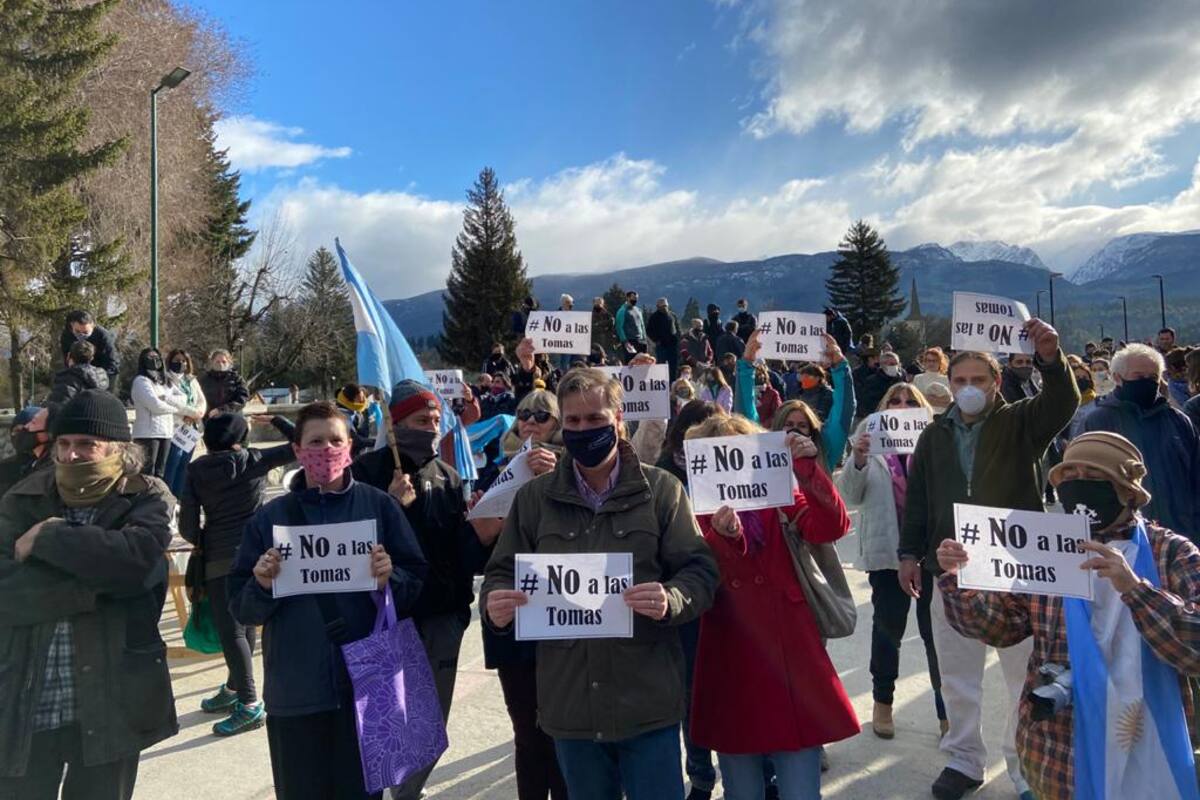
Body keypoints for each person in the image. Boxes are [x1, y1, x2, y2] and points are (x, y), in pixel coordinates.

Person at [480, 367, 719, 800]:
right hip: (570, 707)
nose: (583, 429)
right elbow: (499, 572)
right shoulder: (535, 499)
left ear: (618, 418)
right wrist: (495, 605)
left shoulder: (662, 490)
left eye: (595, 419)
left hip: (646, 703)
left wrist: (672, 597)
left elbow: (700, 571)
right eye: (572, 421)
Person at [936, 432, 1200, 800]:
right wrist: (960, 581)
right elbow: (1001, 627)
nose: (1079, 486)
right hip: (1060, 743)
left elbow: (1195, 647)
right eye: (1069, 476)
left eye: (1094, 478)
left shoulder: (1171, 553)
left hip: (1151, 737)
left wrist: (1135, 589)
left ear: (1127, 489)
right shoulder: (1046, 547)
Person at [898, 318, 1078, 800]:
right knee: (957, 675)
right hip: (951, 570)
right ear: (949, 385)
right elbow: (919, 500)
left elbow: (1064, 402)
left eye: (979, 380)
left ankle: (1023, 765)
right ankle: (964, 761)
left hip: (1016, 571)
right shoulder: (933, 435)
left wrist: (1049, 357)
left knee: (1023, 672)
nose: (969, 388)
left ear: (997, 383)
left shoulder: (1022, 421)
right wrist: (909, 554)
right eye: (960, 381)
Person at [229, 402, 427, 800]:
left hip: (367, 689)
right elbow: (242, 608)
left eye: (335, 441)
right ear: (298, 451)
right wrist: (263, 584)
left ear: (350, 447)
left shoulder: (379, 506)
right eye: (315, 442)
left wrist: (391, 579)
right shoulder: (269, 519)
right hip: (295, 694)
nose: (326, 450)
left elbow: (416, 582)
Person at [0, 389, 176, 799]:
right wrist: (94, 589)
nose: (71, 455)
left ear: (118, 448)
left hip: (114, 701)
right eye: (63, 443)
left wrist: (48, 536)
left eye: (86, 444)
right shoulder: (21, 497)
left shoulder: (147, 496)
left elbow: (136, 563)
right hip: (26, 696)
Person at [687, 413, 859, 799]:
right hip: (731, 652)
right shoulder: (695, 507)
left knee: (801, 787)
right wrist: (721, 537)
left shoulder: (781, 495)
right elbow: (692, 570)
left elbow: (830, 527)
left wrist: (808, 468)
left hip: (791, 649)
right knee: (742, 787)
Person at [351, 381, 497, 800]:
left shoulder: (450, 477)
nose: (431, 428)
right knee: (383, 726)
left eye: (436, 420)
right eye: (421, 420)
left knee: (428, 726)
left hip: (439, 619)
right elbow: (355, 546)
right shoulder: (366, 473)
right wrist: (389, 506)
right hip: (384, 617)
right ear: (395, 426)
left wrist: (484, 532)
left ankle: (407, 794)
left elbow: (459, 555)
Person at [472, 390, 568, 800]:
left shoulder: (578, 466)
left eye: (542, 415)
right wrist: (514, 485)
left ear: (559, 424)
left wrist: (558, 473)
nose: (530, 421)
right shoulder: (495, 469)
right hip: (512, 614)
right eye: (524, 414)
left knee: (565, 730)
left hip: (565, 611)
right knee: (527, 732)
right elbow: (483, 538)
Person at [836, 383, 946, 740]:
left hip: (932, 554)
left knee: (936, 635)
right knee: (888, 630)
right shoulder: (869, 438)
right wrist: (859, 459)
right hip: (887, 554)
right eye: (894, 401)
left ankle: (947, 712)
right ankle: (883, 703)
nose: (902, 406)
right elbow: (850, 496)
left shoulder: (935, 439)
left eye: (910, 401)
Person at [179, 412, 296, 736]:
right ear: (239, 438)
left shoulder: (196, 470)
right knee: (245, 622)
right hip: (258, 552)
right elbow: (300, 443)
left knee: (231, 630)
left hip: (219, 556)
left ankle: (248, 703)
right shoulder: (255, 459)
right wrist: (278, 421)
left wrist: (201, 540)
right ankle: (234, 686)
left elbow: (187, 524)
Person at [1083, 343, 1200, 541]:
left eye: (1153, 377)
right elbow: (1085, 483)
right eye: (1139, 376)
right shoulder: (1097, 422)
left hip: (1182, 536)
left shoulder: (1178, 421)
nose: (1147, 382)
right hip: (1125, 540)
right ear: (1118, 378)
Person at [768, 333, 856, 475]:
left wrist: (840, 366)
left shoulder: (824, 449)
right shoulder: (766, 457)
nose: (794, 431)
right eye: (789, 424)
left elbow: (844, 410)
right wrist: (746, 365)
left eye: (802, 426)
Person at [130, 347, 198, 479]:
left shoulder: (164, 381)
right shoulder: (141, 381)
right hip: (148, 434)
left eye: (157, 358)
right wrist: (175, 408)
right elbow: (155, 405)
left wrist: (166, 398)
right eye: (150, 358)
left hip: (166, 432)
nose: (154, 361)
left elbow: (182, 397)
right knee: (147, 472)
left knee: (160, 472)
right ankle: (145, 499)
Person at [162, 349, 207, 495]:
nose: (180, 363)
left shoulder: (191, 380)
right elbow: (170, 401)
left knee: (184, 464)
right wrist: (192, 413)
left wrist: (198, 413)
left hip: (192, 429)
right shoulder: (165, 379)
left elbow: (201, 400)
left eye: (183, 361)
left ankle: (180, 498)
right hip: (175, 427)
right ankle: (169, 498)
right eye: (177, 360)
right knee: (172, 464)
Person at [58, 309, 119, 386]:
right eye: (77, 331)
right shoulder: (67, 335)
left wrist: (99, 379)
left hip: (102, 374)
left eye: (85, 333)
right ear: (71, 325)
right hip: (78, 373)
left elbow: (113, 363)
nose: (81, 335)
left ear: (93, 326)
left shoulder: (103, 336)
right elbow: (67, 359)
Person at [0, 406, 50, 497]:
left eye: (23, 430)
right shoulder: (5, 467)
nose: (17, 436)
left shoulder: (47, 467)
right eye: (16, 431)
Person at [199, 349, 250, 417]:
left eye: (224, 362)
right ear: (212, 362)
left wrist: (222, 409)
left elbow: (242, 399)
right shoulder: (204, 380)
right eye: (217, 362)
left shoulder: (237, 379)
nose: (221, 364)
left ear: (229, 362)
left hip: (232, 419)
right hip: (210, 419)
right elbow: (198, 399)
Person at [647, 297, 681, 380]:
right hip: (661, 346)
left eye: (665, 306)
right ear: (658, 307)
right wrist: (656, 340)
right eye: (662, 306)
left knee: (674, 367)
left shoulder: (673, 315)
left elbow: (678, 328)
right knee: (661, 367)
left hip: (673, 346)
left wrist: (678, 338)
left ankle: (673, 384)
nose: (664, 308)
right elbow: (649, 331)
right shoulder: (654, 317)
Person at [614, 290, 648, 363]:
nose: (635, 300)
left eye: (636, 298)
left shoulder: (638, 310)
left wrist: (644, 338)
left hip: (641, 341)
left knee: (642, 362)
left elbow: (642, 325)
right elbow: (619, 327)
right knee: (631, 361)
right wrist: (624, 340)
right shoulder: (622, 311)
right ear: (627, 298)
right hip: (630, 341)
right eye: (633, 298)